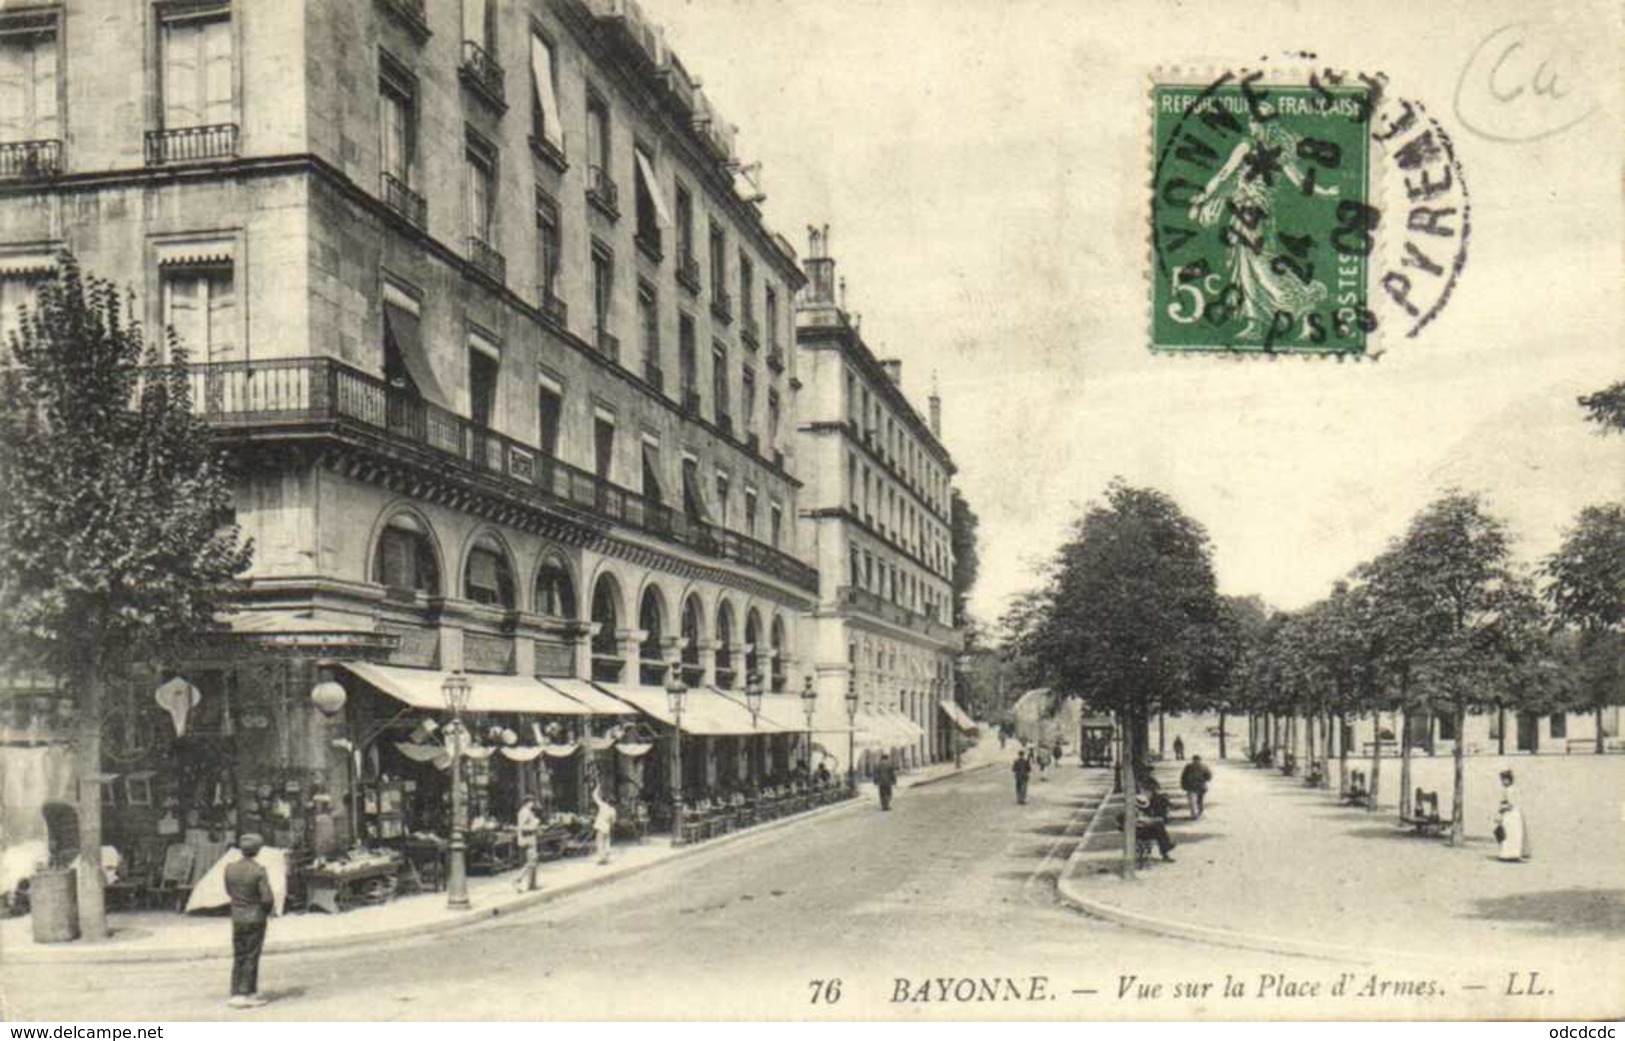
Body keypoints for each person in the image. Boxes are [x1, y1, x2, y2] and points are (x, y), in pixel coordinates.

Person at [224, 833, 275, 1009]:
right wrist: (267, 912)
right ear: (257, 851)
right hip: (255, 917)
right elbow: (267, 898)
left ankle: (236, 991)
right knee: (252, 955)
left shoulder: (230, 868)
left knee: (239, 954)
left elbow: (229, 892)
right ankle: (247, 993)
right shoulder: (259, 870)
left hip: (237, 916)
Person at [1495, 769, 1531, 862]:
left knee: (1511, 834)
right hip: (1513, 814)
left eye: (1504, 779)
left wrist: (1502, 808)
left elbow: (1511, 804)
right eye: (1502, 780)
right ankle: (1509, 854)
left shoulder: (1509, 790)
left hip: (1512, 814)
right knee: (1510, 834)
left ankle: (1510, 854)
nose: (1503, 782)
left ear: (1509, 780)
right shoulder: (1508, 790)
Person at [1132, 792, 1176, 862]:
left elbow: (1145, 820)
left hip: (1142, 830)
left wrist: (1152, 821)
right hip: (1138, 832)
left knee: (1159, 828)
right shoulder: (1133, 811)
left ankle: (1165, 849)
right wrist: (1152, 821)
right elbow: (1140, 821)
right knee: (1158, 827)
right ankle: (1166, 849)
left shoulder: (1140, 810)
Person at [512, 795, 542, 892]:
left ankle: (532, 884)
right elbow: (522, 827)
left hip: (530, 839)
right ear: (527, 802)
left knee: (533, 861)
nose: (532, 804)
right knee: (532, 861)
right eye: (531, 802)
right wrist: (534, 825)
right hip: (527, 840)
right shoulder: (524, 812)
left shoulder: (528, 812)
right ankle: (518, 879)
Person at [591, 785, 617, 865]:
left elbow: (594, 796)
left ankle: (602, 859)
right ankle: (606, 858)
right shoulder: (613, 810)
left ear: (607, 801)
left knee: (599, 842)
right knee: (607, 842)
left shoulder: (603, 806)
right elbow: (613, 821)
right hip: (607, 827)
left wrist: (597, 788)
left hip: (600, 826)